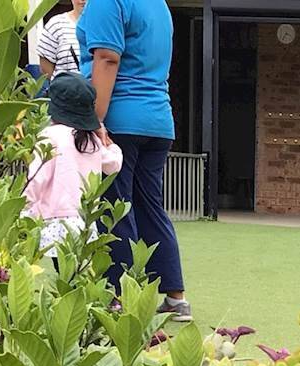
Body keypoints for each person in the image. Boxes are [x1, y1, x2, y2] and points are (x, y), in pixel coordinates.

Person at [76, 0, 191, 320]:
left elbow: (107, 57)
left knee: (115, 208)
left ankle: (117, 297)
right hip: (158, 119)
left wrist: (94, 119)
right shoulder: (158, 4)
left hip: (118, 120)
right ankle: (176, 297)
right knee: (149, 206)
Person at [23, 74, 122, 258]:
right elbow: (113, 166)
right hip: (84, 219)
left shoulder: (49, 135)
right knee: (75, 270)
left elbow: (37, 178)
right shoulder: (91, 139)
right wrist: (107, 141)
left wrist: (22, 207)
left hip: (53, 217)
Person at [37, 0, 85, 80]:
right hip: (66, 86)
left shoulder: (104, 24)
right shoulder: (56, 24)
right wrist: (60, 83)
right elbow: (45, 66)